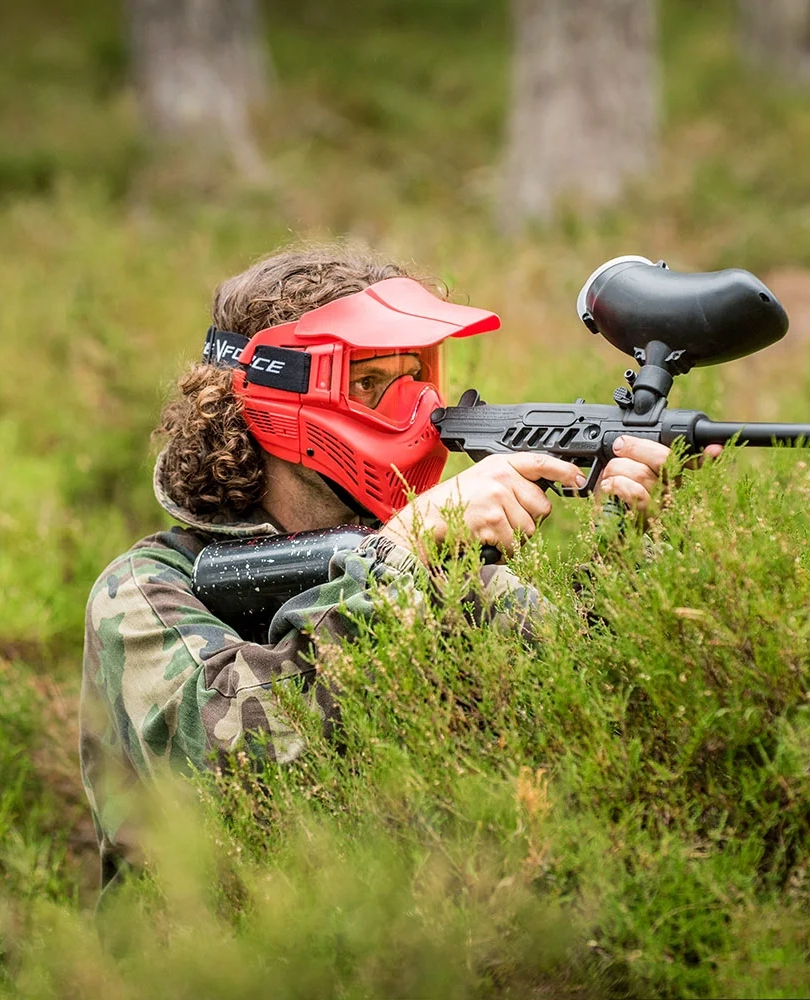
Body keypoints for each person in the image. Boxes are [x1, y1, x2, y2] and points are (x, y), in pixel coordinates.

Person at [78, 245, 719, 894]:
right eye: (369, 383)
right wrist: (398, 556)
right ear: (276, 402)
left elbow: (598, 713)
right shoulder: (145, 589)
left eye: (417, 375)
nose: (417, 409)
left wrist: (629, 553)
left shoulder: (438, 580)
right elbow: (238, 768)